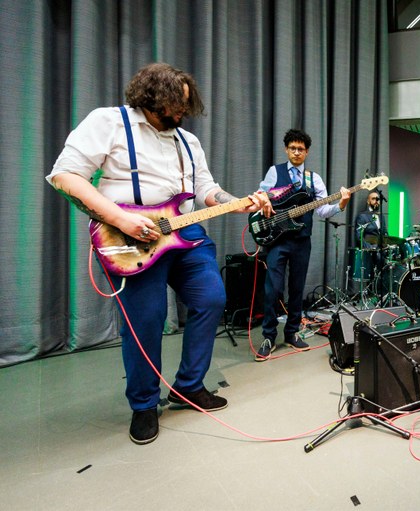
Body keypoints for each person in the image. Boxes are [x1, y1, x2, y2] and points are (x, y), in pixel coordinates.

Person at [46, 62, 273, 445]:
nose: (182, 112)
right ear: (151, 97)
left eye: (185, 104)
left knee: (212, 298)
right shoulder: (108, 122)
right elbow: (64, 175)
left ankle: (188, 387)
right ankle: (144, 405)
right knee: (145, 321)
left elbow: (205, 189)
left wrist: (238, 202)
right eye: (174, 104)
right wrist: (121, 218)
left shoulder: (188, 141)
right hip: (129, 236)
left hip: (185, 232)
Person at [254, 129, 350, 361]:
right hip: (277, 240)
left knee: (297, 289)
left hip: (301, 241)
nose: (296, 152)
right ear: (286, 150)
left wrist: (341, 204)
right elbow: (260, 196)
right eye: (293, 148)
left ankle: (291, 333)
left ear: (307, 152)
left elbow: (322, 210)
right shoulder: (274, 172)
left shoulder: (313, 179)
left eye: (301, 149)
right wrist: (264, 199)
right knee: (272, 289)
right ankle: (268, 336)